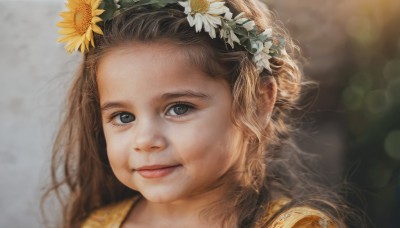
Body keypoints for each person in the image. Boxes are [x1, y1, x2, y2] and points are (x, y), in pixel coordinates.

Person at [43, 0, 350, 227]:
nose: (146, 141)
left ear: (258, 102)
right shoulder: (97, 224)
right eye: (124, 117)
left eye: (179, 108)